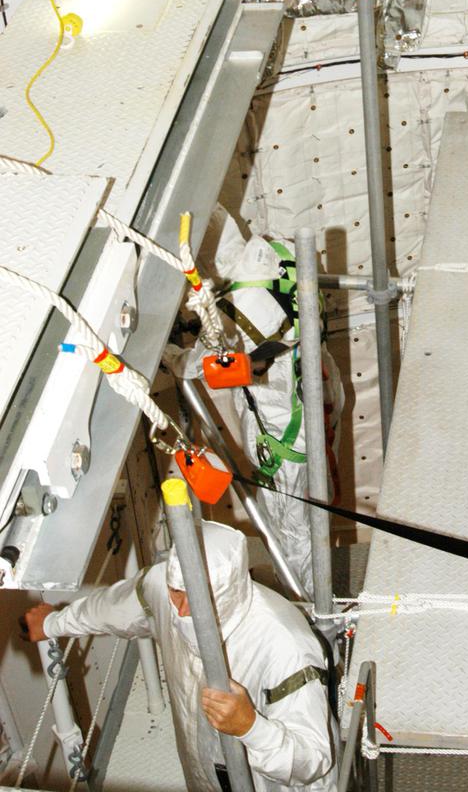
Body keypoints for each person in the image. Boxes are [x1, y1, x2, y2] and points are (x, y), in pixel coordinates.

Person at [23, 520, 337, 792]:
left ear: (229, 592)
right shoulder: (164, 586)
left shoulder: (286, 648)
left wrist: (250, 726)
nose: (183, 610)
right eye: (177, 594)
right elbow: (113, 608)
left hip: (268, 779)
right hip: (200, 763)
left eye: (199, 600)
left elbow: (314, 760)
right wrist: (54, 623)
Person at [169, 207, 344, 599]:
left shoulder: (238, 308)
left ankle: (311, 606)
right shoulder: (274, 253)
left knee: (294, 531)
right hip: (319, 395)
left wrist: (167, 354)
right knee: (312, 514)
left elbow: (197, 367)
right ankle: (307, 589)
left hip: (283, 430)